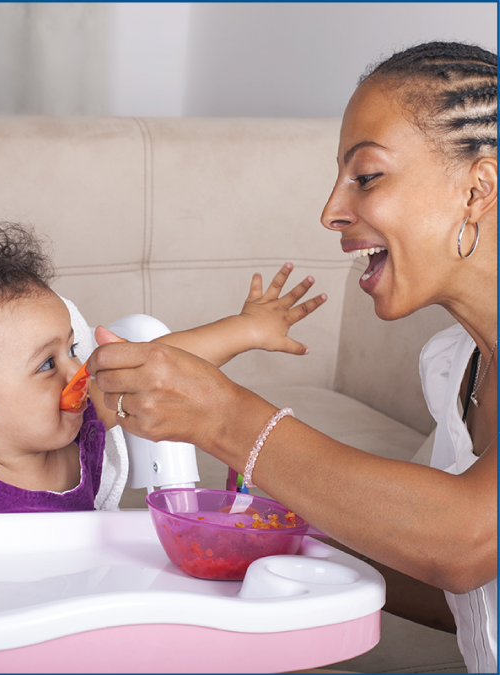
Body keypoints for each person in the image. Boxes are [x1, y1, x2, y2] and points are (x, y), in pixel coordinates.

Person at [85, 41, 496, 672]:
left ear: (478, 188)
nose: (331, 212)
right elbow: (462, 599)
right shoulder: (454, 365)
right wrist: (287, 528)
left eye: (366, 176)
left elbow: (467, 543)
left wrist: (228, 420)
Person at [0, 223, 326, 513]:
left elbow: (161, 363)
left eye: (72, 348)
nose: (77, 369)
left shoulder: (85, 421)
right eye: (47, 363)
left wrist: (247, 329)